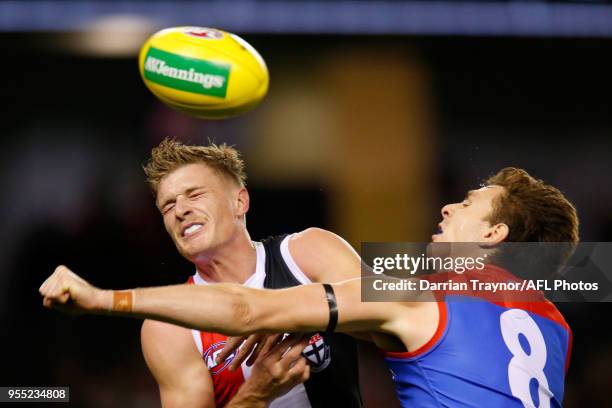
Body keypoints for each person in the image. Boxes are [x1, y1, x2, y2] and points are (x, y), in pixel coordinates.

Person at [40, 167, 578, 407]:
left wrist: (103, 299)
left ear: (493, 234)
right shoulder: (556, 325)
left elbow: (249, 310)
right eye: (167, 205)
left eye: (466, 203)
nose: (447, 205)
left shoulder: (411, 293)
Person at [132, 139, 363, 407]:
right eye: (168, 207)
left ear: (240, 201)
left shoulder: (309, 251)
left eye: (195, 195)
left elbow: (399, 304)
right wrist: (255, 394)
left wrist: (295, 313)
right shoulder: (169, 325)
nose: (180, 211)